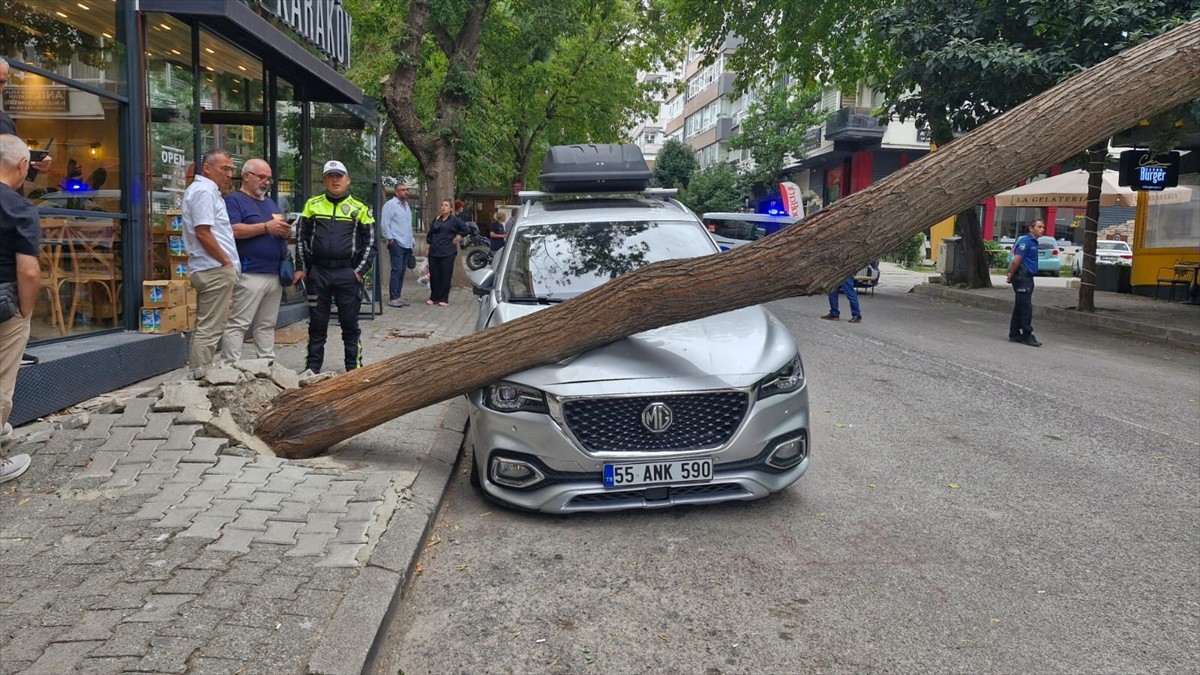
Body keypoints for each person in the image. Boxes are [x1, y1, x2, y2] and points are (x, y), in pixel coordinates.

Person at [295, 160, 375, 373]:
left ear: (347, 180)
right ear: (324, 180)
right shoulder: (312, 205)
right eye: (331, 176)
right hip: (318, 273)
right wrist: (302, 267)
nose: (335, 180)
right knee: (317, 325)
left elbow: (371, 243)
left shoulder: (360, 208)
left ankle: (354, 369)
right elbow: (301, 239)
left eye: (339, 176)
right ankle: (311, 369)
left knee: (350, 325)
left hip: (347, 274)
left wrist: (359, 272)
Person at [219, 158, 295, 363]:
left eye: (269, 178)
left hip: (275, 273)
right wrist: (265, 227)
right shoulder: (233, 200)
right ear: (246, 176)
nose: (266, 182)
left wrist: (285, 231)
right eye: (262, 177)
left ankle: (266, 364)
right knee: (239, 323)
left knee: (267, 324)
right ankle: (230, 367)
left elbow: (277, 228)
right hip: (250, 272)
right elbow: (232, 230)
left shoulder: (270, 203)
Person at [0, 135, 39, 482]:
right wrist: (25, 313)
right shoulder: (18, 207)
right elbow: (28, 270)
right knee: (1, 381)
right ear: (23, 165)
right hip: (3, 304)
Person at [182, 148, 240, 373]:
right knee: (210, 328)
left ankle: (200, 372)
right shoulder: (203, 192)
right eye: (224, 168)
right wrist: (226, 262)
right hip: (213, 269)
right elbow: (203, 232)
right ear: (207, 168)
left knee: (207, 325)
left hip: (211, 267)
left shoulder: (207, 191)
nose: (229, 174)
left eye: (231, 169)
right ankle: (200, 377)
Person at [0, 59, 53, 191]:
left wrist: (32, 163)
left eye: (2, 82)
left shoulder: (4, 121)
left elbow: (9, 162)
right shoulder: (3, 122)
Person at [425, 199, 470, 306]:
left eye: (446, 205)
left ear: (450, 209)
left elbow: (466, 229)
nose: (443, 207)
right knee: (434, 275)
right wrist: (428, 247)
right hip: (434, 251)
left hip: (447, 252)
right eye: (442, 205)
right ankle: (434, 297)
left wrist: (458, 238)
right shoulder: (437, 219)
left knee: (445, 275)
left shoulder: (454, 220)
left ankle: (443, 299)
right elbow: (430, 234)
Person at [1007, 219, 1044, 347]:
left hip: (1028, 276)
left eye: (1042, 227)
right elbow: (1015, 260)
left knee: (1020, 305)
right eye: (1039, 227)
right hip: (1022, 277)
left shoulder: (1034, 242)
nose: (1042, 229)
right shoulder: (1025, 242)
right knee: (1026, 307)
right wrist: (1011, 274)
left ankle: (1014, 333)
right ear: (1031, 228)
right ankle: (1027, 335)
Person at [381, 183, 414, 307]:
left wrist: (412, 241)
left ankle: (398, 296)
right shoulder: (390, 205)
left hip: (407, 243)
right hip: (396, 242)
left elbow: (408, 226)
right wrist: (390, 239)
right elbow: (385, 223)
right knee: (396, 270)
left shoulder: (407, 206)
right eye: (403, 190)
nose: (406, 192)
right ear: (396, 192)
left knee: (402, 271)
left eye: (407, 189)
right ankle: (393, 298)